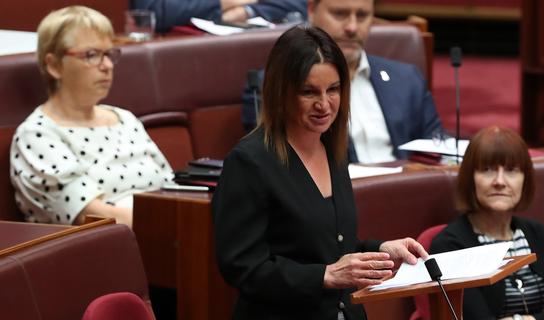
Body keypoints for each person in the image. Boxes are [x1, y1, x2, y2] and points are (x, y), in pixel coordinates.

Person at [212, 25, 428, 320]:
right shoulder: (250, 161)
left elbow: (329, 245)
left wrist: (380, 251)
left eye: (334, 89)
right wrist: (325, 276)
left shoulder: (333, 149)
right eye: (309, 92)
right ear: (282, 92)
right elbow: (243, 267)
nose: (324, 104)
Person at [9, 6, 174, 227]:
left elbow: (172, 189)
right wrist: (178, 225)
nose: (106, 66)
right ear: (54, 65)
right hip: (107, 250)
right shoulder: (37, 135)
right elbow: (92, 218)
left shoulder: (124, 119)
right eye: (92, 55)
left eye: (108, 54)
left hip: (168, 238)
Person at [243, 0, 444, 163]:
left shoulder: (407, 78)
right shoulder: (279, 85)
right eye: (339, 14)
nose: (352, 27)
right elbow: (278, 163)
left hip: (408, 197)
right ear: (312, 10)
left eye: (362, 16)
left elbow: (439, 148)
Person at [429, 126, 544, 320]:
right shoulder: (449, 246)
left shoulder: (535, 233)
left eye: (511, 170)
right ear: (470, 179)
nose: (500, 181)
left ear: (524, 180)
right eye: (487, 170)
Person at [130, 0, 307, 33]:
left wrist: (246, 11)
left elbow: (305, 4)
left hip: (253, 43)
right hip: (188, 55)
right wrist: (223, 2)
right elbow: (151, 12)